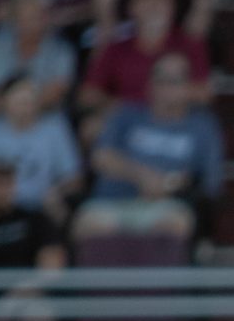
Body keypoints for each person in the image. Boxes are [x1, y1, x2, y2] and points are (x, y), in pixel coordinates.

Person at [75, 53, 223, 241]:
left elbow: (209, 183)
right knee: (89, 223)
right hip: (113, 202)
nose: (167, 88)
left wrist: (170, 185)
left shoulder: (202, 126)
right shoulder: (127, 115)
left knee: (174, 225)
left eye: (175, 81)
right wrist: (141, 175)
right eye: (161, 80)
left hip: (166, 206)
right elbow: (101, 157)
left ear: (188, 86)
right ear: (150, 84)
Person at [78, 0, 212, 118]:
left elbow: (204, 94)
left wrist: (168, 95)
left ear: (173, 8)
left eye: (161, 2)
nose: (154, 8)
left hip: (175, 118)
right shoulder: (116, 48)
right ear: (132, 8)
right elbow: (87, 95)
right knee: (92, 128)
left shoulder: (189, 43)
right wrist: (117, 105)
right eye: (147, 2)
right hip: (127, 119)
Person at [0, 76, 83, 216]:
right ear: (4, 101)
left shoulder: (55, 127)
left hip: (40, 206)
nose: (25, 106)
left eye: (30, 101)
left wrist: (57, 191)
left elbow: (73, 178)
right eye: (19, 101)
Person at [0, 0, 79, 116]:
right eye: (31, 17)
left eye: (41, 16)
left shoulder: (61, 50)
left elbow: (56, 92)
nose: (40, 21)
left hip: (44, 119)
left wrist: (13, 105)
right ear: (16, 22)